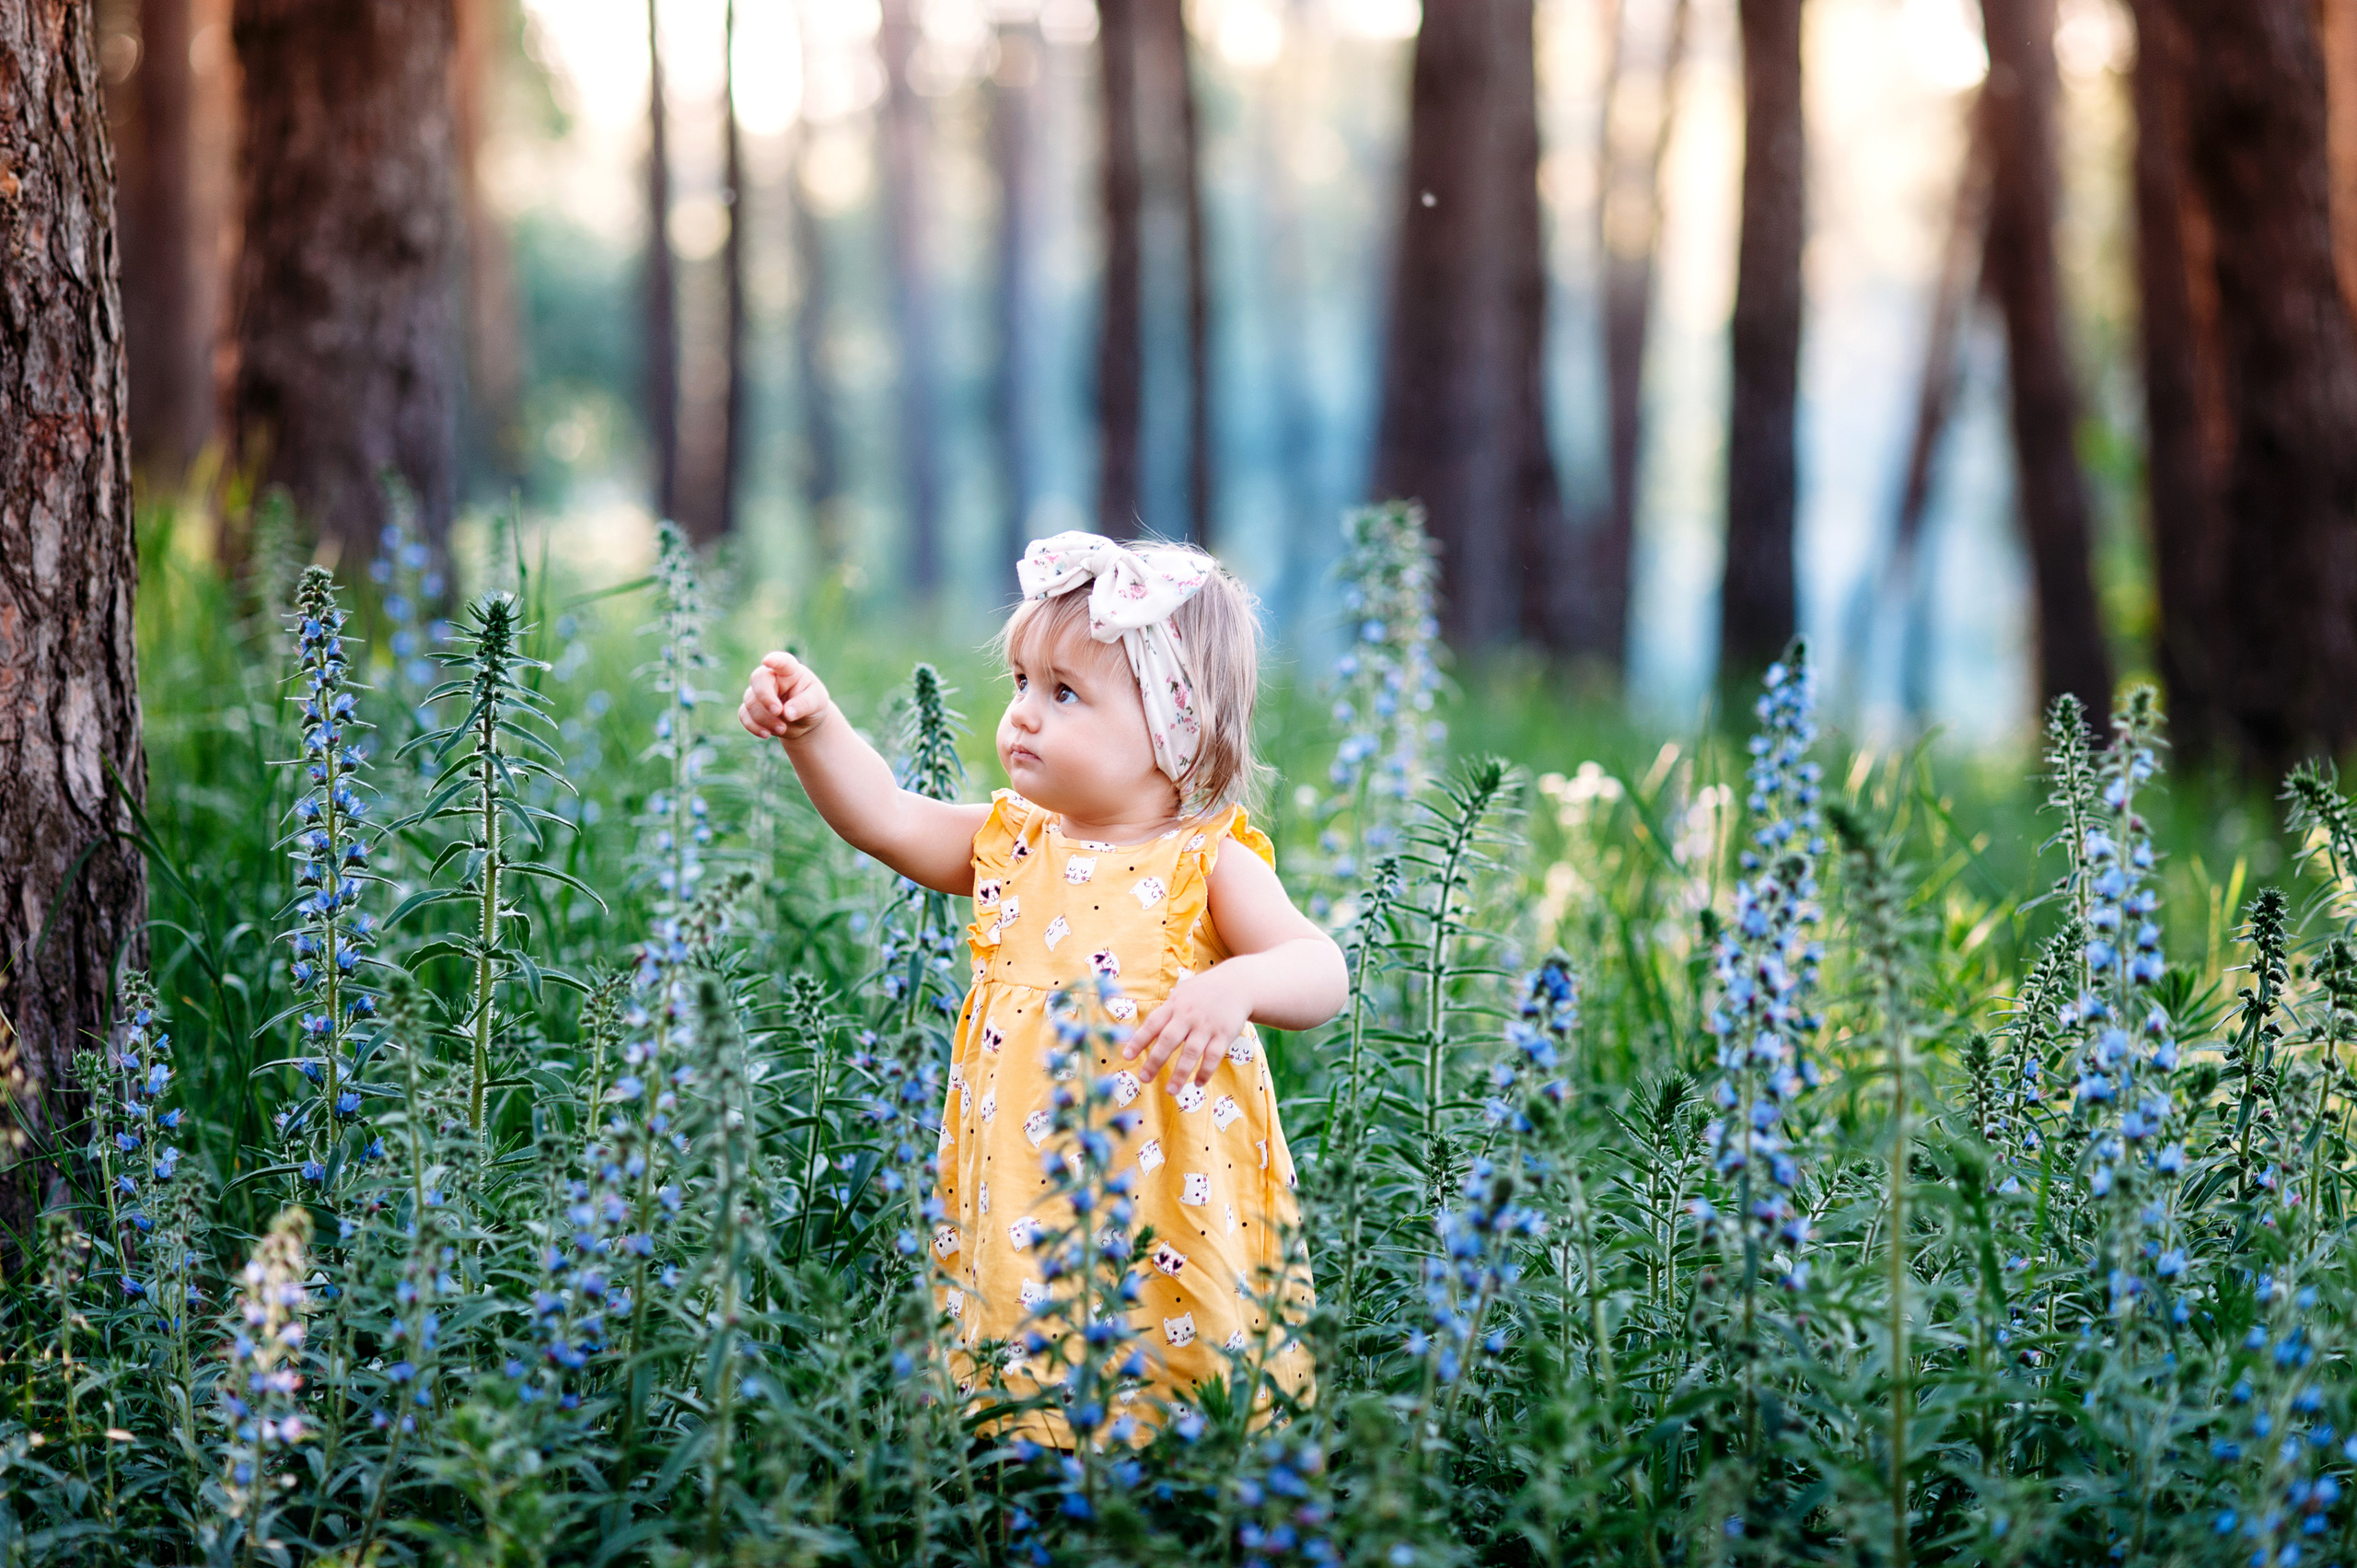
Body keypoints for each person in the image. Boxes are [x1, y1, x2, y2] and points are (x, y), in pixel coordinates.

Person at [738, 531, 1345, 1435]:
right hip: (1024, 1183)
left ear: (1172, 728)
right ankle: (1029, 1466)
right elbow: (886, 816)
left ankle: (1180, 1479)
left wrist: (1241, 984)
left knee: (1168, 1353)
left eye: (1064, 693)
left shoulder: (1202, 863)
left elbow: (1321, 970)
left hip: (1160, 1194)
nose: (1022, 712)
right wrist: (816, 728)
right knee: (1026, 1356)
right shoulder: (1012, 839)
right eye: (1021, 681)